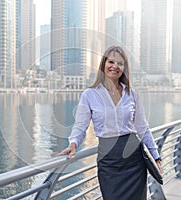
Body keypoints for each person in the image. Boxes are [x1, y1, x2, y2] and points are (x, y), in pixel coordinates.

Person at [58, 45, 162, 200]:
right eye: (111, 62)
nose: (115, 66)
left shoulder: (132, 93)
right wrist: (73, 143)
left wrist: (156, 156)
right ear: (103, 64)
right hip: (108, 161)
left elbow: (142, 127)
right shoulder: (90, 95)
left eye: (120, 63)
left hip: (134, 160)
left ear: (124, 68)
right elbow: (80, 126)